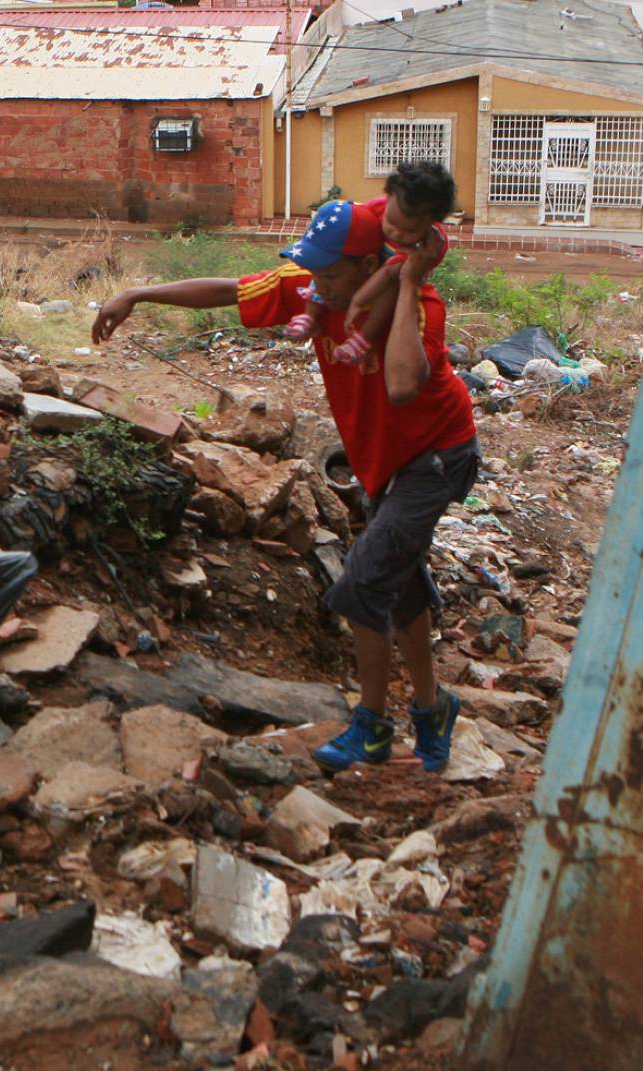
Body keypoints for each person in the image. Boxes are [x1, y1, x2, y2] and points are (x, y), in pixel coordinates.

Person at [91, 166, 477, 773]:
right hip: (382, 459)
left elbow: (403, 386)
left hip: (434, 457)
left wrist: (405, 285)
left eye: (327, 273)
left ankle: (372, 728)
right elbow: (232, 289)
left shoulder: (419, 306)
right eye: (311, 272)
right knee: (398, 584)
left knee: (360, 586)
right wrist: (139, 294)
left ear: (365, 268)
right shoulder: (320, 280)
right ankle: (432, 710)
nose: (312, 285)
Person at [284, 166, 455, 365]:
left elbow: (390, 274)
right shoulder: (376, 208)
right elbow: (355, 224)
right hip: (365, 261)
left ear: (431, 224)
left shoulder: (428, 246)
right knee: (327, 266)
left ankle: (364, 339)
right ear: (387, 196)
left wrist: (358, 301)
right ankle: (310, 316)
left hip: (392, 275)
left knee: (389, 293)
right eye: (390, 222)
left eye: (409, 231)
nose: (397, 234)